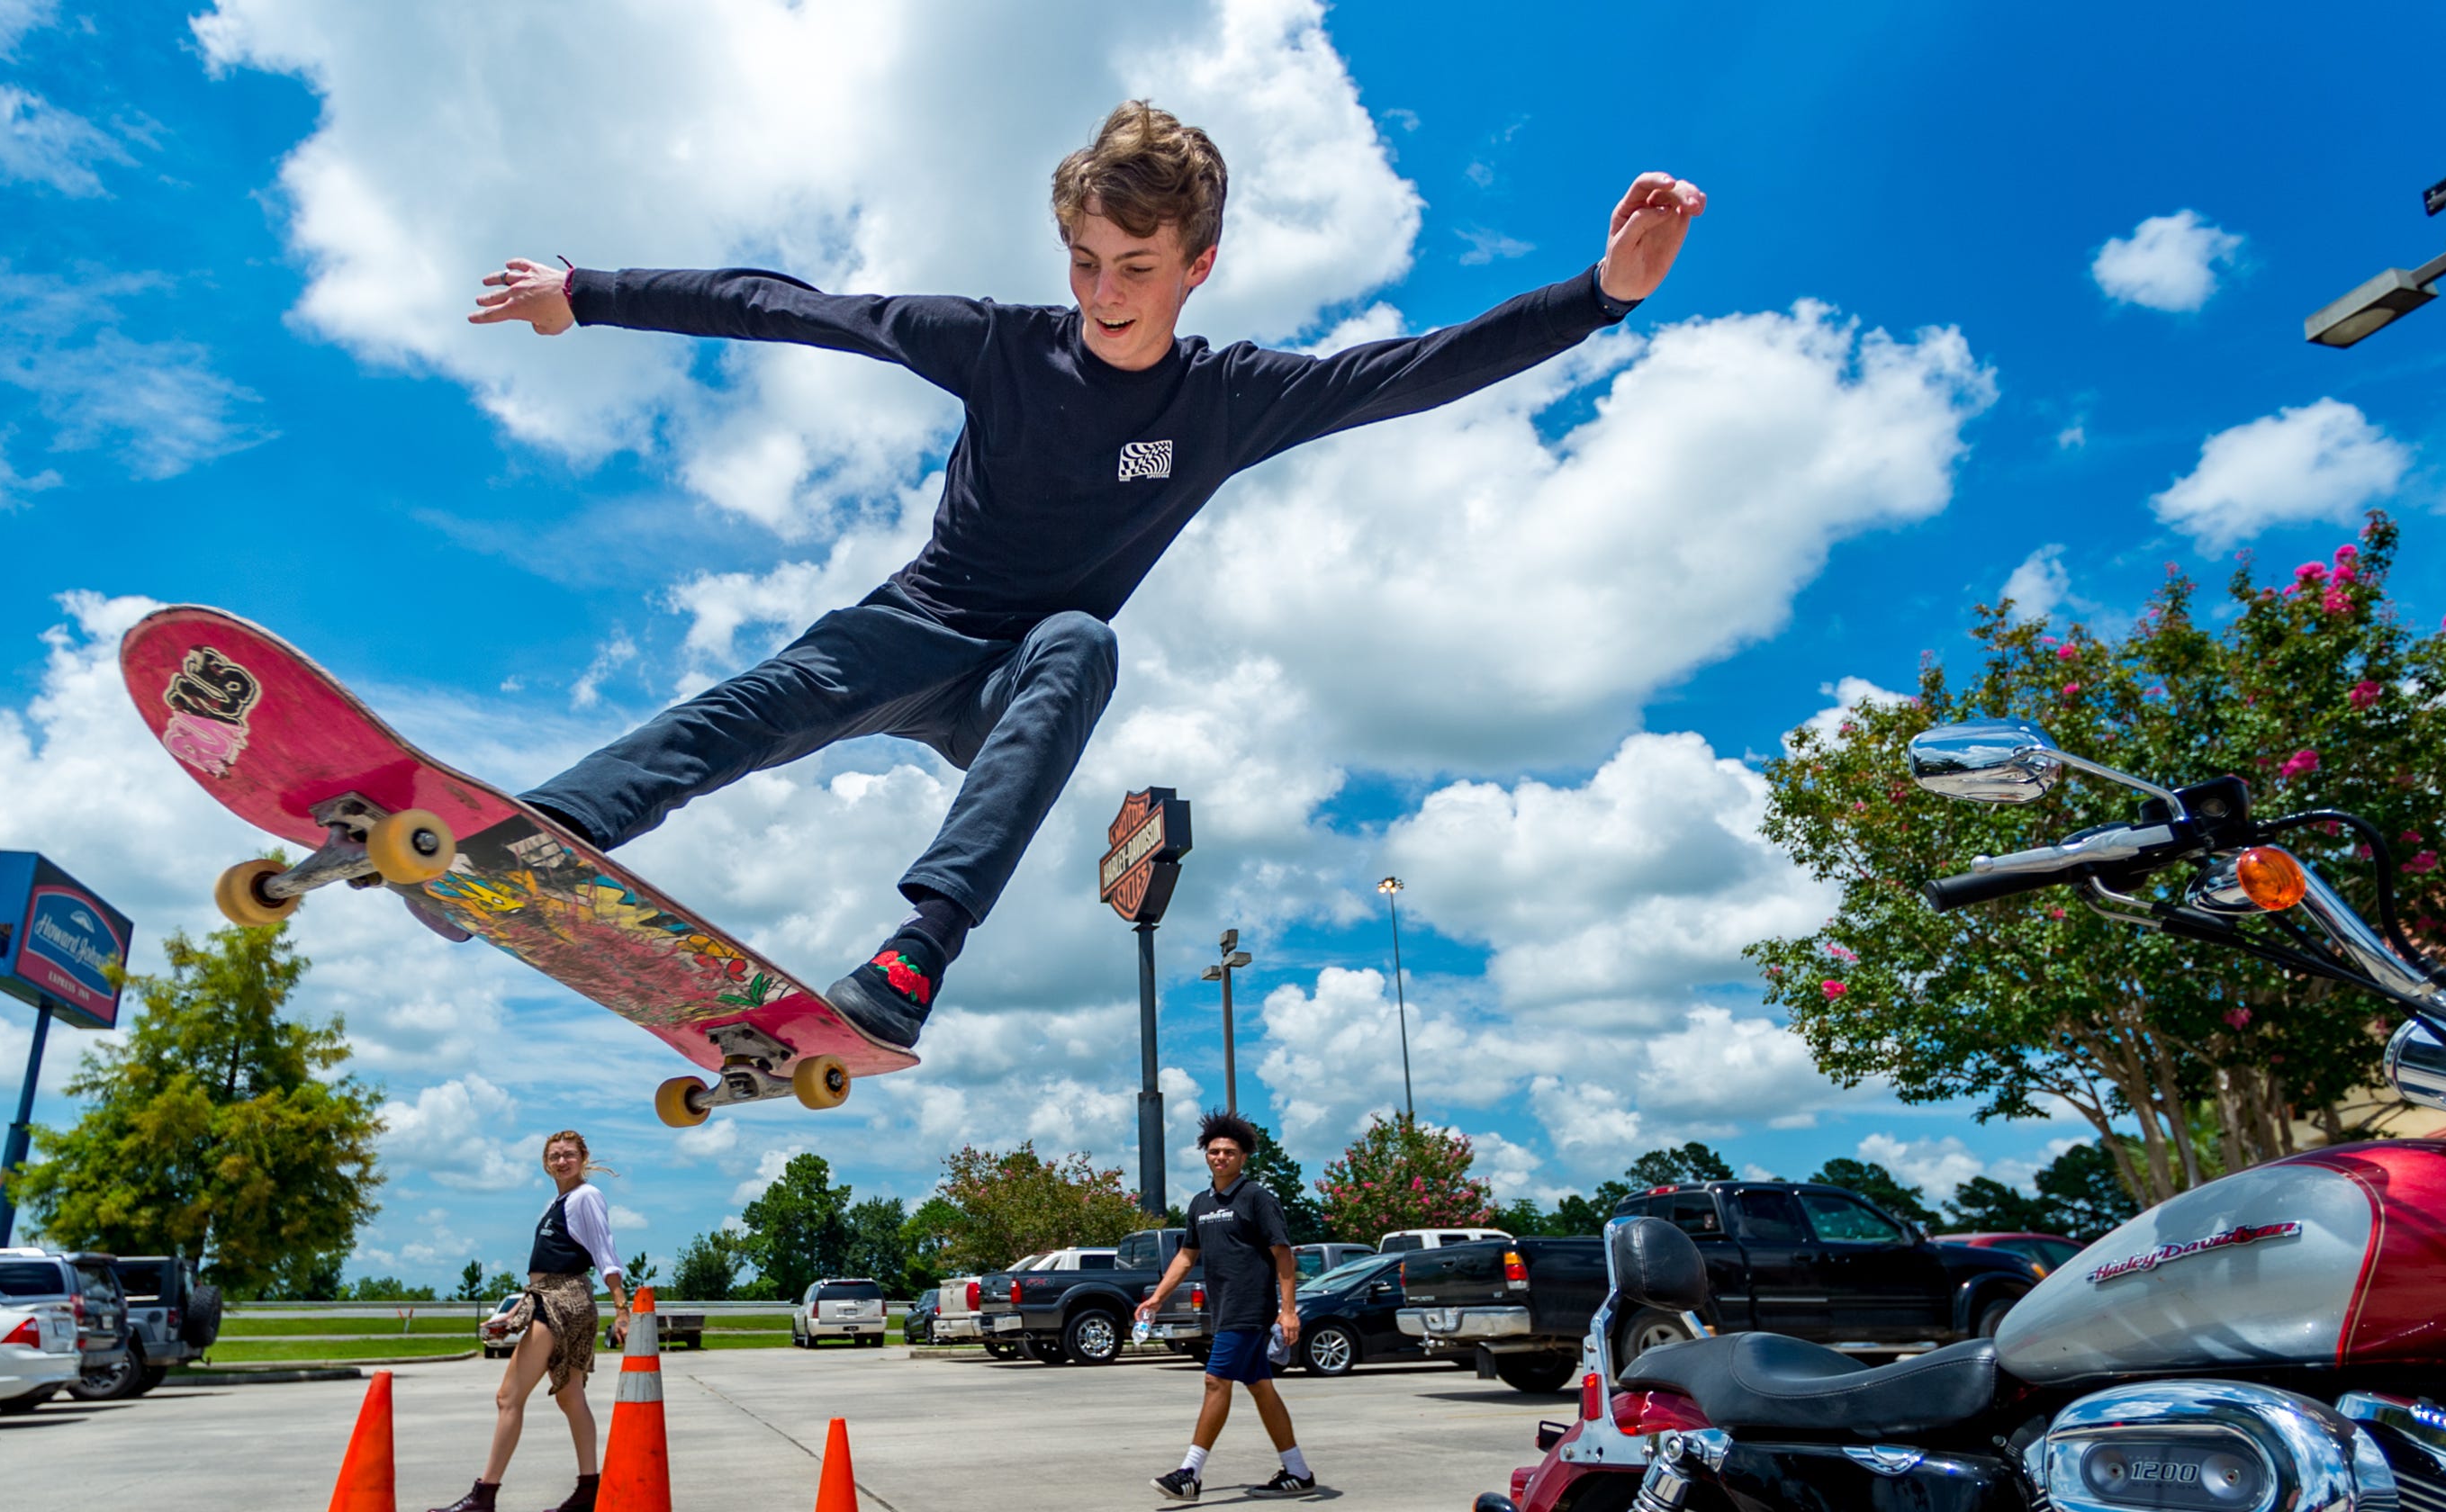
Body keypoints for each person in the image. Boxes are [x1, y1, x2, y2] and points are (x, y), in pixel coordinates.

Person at [469, 102, 1703, 1055]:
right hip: (916, 626)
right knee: (763, 701)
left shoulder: (1227, 400)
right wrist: (587, 294)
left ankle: (914, 960)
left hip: (1019, 682)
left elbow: (1413, 369)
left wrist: (1600, 299)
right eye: (1083, 261)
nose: (1102, 295)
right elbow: (790, 307)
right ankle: (547, 828)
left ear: (1198, 264)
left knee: (1080, 640)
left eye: (1134, 266)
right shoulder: (1000, 345)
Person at [429, 1131, 628, 1512]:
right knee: (570, 1396)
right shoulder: (560, 1202)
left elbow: (607, 1254)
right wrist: (517, 1307)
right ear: (545, 1163)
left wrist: (622, 1308)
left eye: (569, 1155)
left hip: (561, 1300)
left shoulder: (586, 1197)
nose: (562, 1161)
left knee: (508, 1397)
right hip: (554, 1297)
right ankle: (589, 1492)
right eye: (554, 1156)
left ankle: (483, 1496)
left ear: (584, 1158)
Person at [1133, 1112, 1311, 1499]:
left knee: (1216, 1381)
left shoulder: (1257, 1198)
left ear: (1244, 1156)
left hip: (1250, 1308)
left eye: (1229, 1152)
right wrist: (1157, 1298)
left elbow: (1283, 1255)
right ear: (1205, 1155)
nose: (1220, 1157)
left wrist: (1288, 1309)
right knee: (1261, 1388)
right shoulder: (1200, 1203)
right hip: (1224, 1307)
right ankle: (1298, 1472)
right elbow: (1185, 1257)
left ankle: (1190, 1473)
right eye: (1214, 1151)